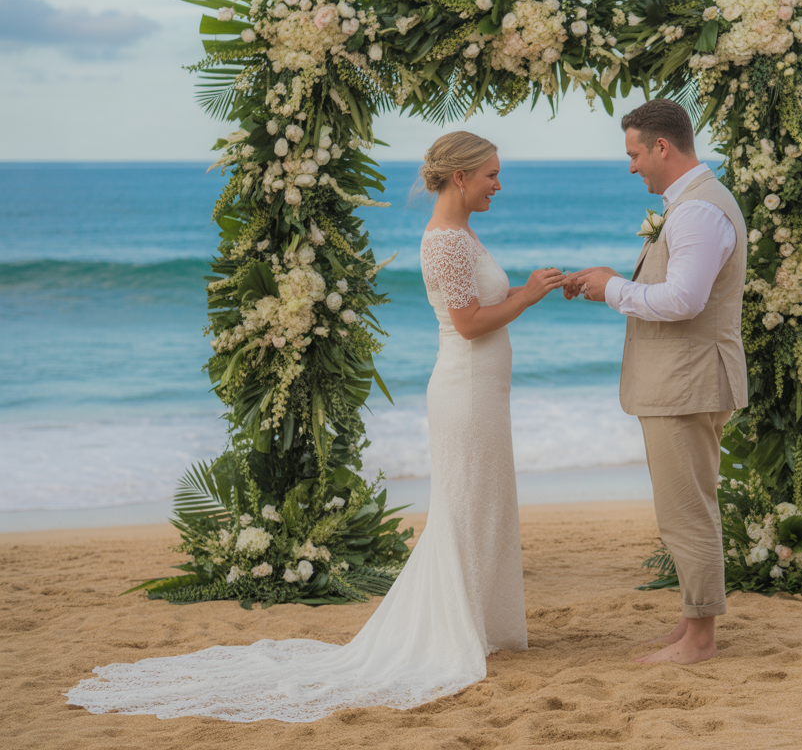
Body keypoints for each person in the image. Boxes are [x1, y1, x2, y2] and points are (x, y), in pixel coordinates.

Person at [66, 132, 565, 721]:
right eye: (491, 175)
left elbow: (482, 299)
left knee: (484, 503)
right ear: (461, 177)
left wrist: (536, 285)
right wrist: (528, 296)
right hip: (465, 391)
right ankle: (452, 630)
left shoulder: (462, 235)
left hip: (484, 390)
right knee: (464, 506)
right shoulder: (443, 242)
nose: (498, 185)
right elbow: (470, 322)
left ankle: (481, 621)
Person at [567, 99, 748, 665]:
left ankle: (700, 641)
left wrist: (613, 288)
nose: (631, 167)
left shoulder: (696, 212)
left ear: (662, 148)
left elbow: (684, 300)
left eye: (634, 153)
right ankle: (691, 621)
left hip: (687, 383)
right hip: (683, 381)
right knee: (685, 504)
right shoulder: (692, 205)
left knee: (687, 510)